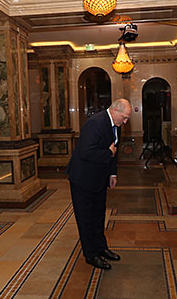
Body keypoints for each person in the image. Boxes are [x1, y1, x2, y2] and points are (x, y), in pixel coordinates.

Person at [67, 98, 132, 270]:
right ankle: (91, 254)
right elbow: (86, 152)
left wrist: (112, 173)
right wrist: (108, 153)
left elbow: (114, 149)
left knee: (99, 216)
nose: (125, 122)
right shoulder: (95, 123)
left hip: (99, 178)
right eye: (124, 117)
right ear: (115, 111)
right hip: (83, 179)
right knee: (85, 218)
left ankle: (101, 248)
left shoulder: (115, 125)